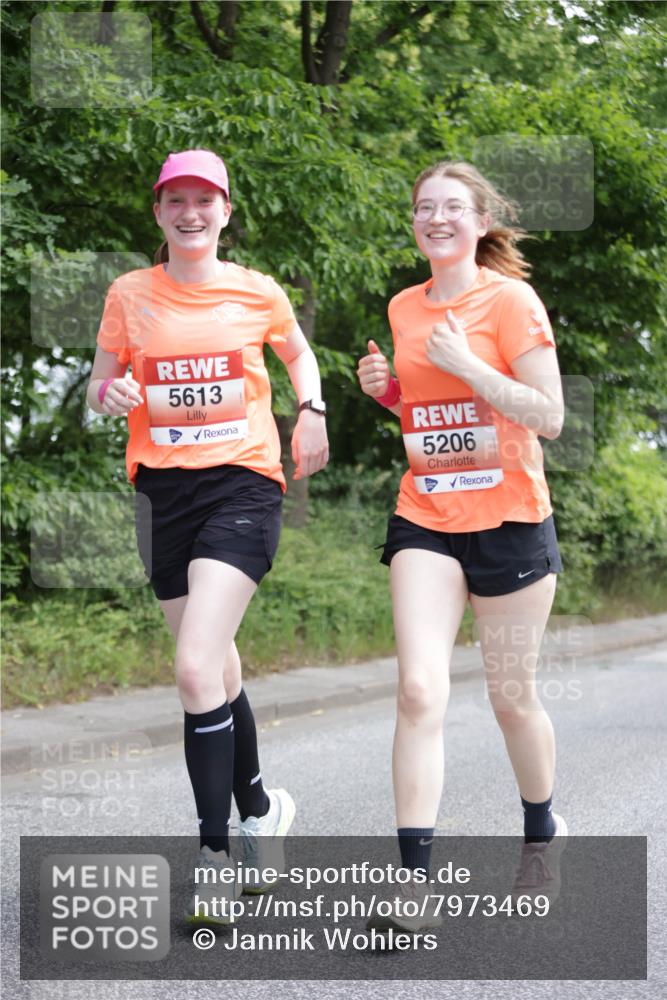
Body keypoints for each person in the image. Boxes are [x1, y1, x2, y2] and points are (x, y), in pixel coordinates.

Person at [86, 149, 329, 923]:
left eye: (205, 200)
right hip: (162, 492)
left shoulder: (257, 291)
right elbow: (100, 385)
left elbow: (297, 352)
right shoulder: (130, 294)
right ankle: (261, 808)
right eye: (175, 201)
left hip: (244, 484)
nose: (190, 213)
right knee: (216, 667)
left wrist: (311, 409)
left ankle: (216, 857)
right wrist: (111, 390)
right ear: (158, 213)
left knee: (192, 667)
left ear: (225, 211)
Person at [357, 160, 567, 933]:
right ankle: (413, 887)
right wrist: (388, 392)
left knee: (511, 697)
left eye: (452, 207)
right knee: (418, 691)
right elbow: (426, 417)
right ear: (414, 223)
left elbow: (548, 416)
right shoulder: (403, 306)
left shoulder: (510, 301)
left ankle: (541, 837)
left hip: (510, 520)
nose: (435, 217)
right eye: (423, 207)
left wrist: (469, 365)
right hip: (426, 514)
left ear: (480, 223)